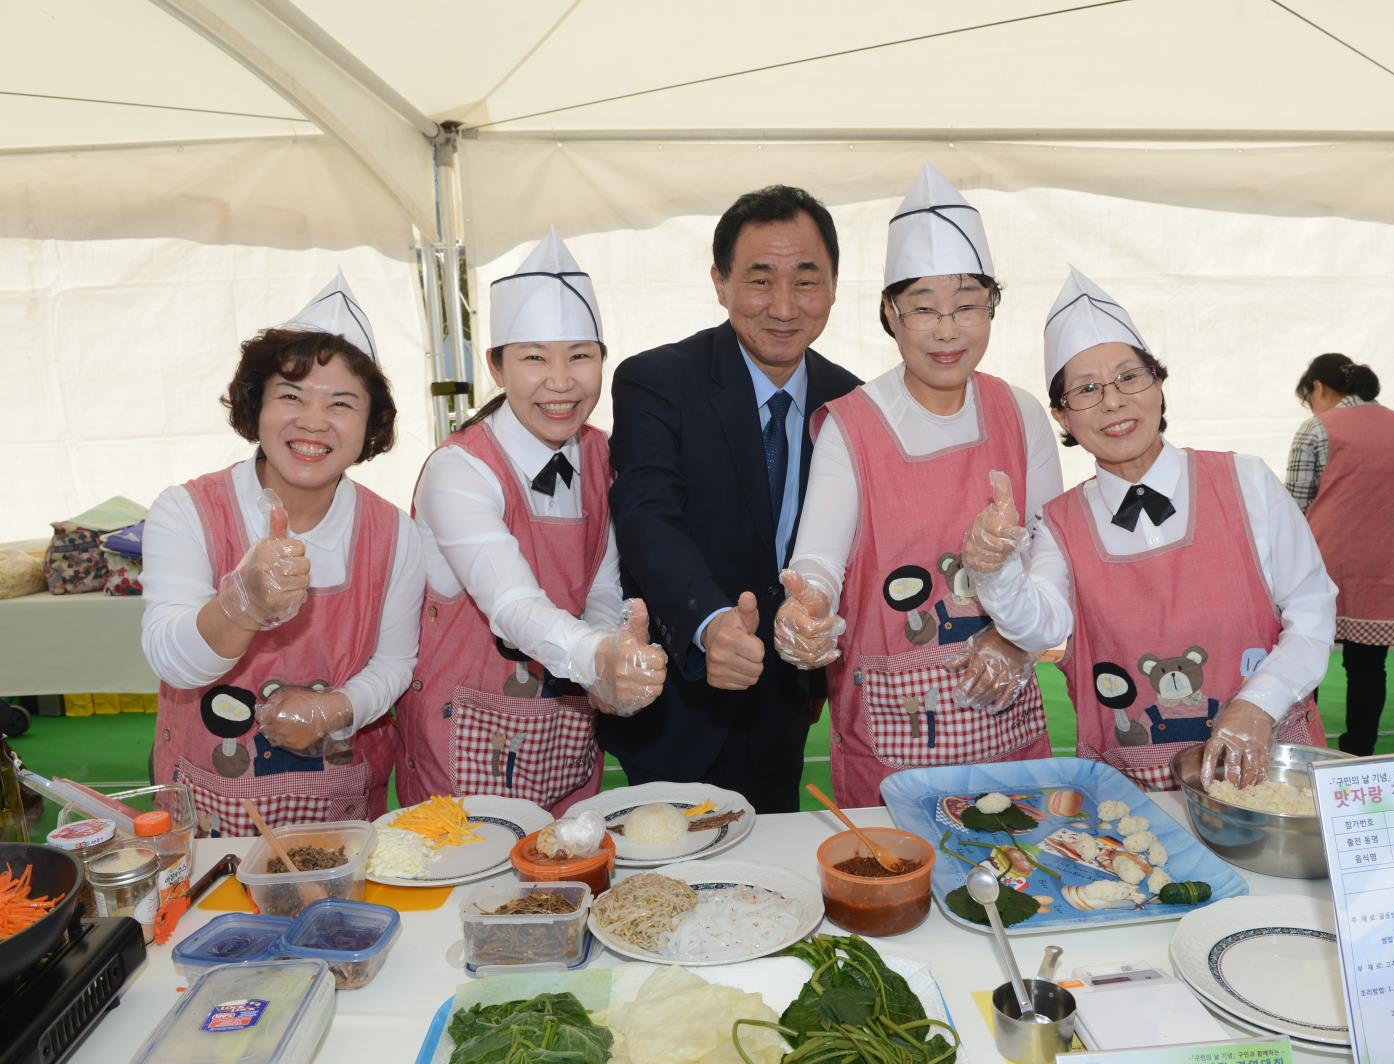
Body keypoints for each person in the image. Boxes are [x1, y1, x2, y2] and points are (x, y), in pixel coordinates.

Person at [960, 268, 1335, 790]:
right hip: (1132, 795)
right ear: (1063, 417)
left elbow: (1313, 610)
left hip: (1264, 769)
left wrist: (1259, 703)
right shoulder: (1059, 522)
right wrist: (994, 569)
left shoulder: (1246, 480)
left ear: (1158, 383)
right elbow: (1041, 628)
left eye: (1128, 377)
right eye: (1086, 390)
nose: (1113, 402)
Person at [774, 163, 1058, 808]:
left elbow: (1050, 549)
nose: (948, 329)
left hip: (1001, 702)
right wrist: (808, 603)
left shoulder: (1020, 414)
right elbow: (819, 552)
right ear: (890, 314)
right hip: (890, 720)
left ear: (992, 308)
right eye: (924, 309)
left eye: (967, 307)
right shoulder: (854, 424)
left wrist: (1015, 636)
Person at [605, 185, 862, 813]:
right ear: (719, 283)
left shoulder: (851, 402)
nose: (782, 306)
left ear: (833, 286)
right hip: (678, 702)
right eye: (759, 279)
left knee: (770, 893)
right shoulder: (657, 380)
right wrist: (710, 621)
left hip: (783, 704)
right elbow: (646, 515)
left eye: (806, 281)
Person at [141, 273, 424, 834]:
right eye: (291, 396)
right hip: (208, 802)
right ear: (258, 406)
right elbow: (170, 659)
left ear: (370, 424)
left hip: (338, 806)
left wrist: (334, 709)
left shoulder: (395, 532)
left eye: (341, 403)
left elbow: (395, 663)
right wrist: (240, 606)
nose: (313, 421)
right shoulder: (187, 511)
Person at [397, 229, 666, 814]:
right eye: (534, 357)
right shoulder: (459, 470)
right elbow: (512, 605)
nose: (562, 381)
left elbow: (601, 583)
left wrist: (607, 655)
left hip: (563, 739)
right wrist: (600, 658)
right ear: (496, 366)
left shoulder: (602, 455)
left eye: (581, 355)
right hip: (461, 739)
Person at [1286, 353, 1394, 756]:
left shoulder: (1316, 429)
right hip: (1387, 568)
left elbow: (1293, 504)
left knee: (1308, 662)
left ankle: (1306, 749)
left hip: (1324, 567)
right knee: (1368, 668)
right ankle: (1359, 752)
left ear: (1319, 388)